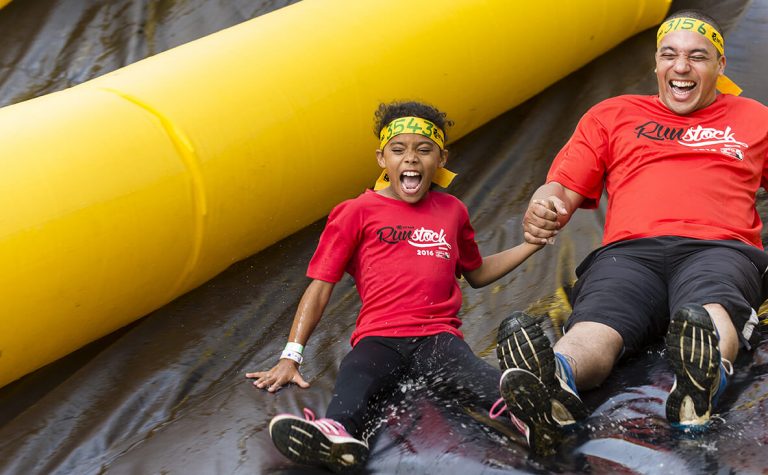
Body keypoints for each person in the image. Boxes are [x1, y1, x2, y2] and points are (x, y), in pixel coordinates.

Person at [494, 8, 768, 455]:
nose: (681, 67)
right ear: (656, 64)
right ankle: (554, 382)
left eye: (697, 56)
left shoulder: (755, 118)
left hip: (718, 246)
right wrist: (544, 205)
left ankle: (702, 379)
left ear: (720, 66)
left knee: (709, 303)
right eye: (670, 55)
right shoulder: (613, 114)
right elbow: (561, 186)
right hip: (630, 253)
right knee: (596, 322)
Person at [246, 101, 542, 472]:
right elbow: (320, 287)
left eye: (424, 149)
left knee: (478, 378)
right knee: (357, 376)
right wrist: (291, 356)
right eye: (398, 150)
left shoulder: (452, 211)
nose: (411, 160)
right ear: (381, 158)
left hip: (437, 336)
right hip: (379, 337)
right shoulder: (357, 211)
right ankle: (337, 435)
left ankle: (532, 417)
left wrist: (531, 244)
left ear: (441, 158)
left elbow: (477, 273)